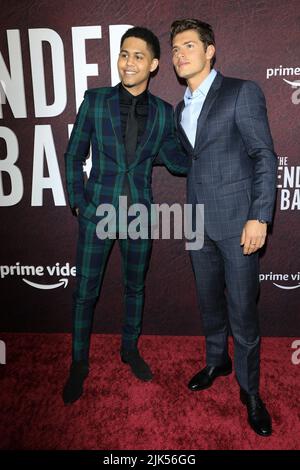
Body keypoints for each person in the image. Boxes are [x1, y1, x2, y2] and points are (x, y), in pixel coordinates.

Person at [63, 26, 187, 404]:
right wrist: (79, 202)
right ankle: (79, 362)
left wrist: (206, 144)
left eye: (137, 56)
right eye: (123, 54)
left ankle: (129, 349)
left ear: (153, 64)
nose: (128, 62)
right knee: (86, 292)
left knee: (135, 287)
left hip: (139, 214)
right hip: (96, 209)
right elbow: (73, 155)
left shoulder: (166, 114)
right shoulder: (95, 100)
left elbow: (178, 162)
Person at [170, 19, 277, 436]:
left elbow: (264, 156)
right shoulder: (181, 109)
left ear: (210, 50)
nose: (180, 53)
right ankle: (217, 360)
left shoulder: (241, 92)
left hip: (239, 222)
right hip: (197, 220)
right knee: (209, 301)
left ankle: (250, 391)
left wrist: (260, 215)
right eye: (176, 47)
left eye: (189, 45)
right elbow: (192, 161)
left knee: (242, 312)